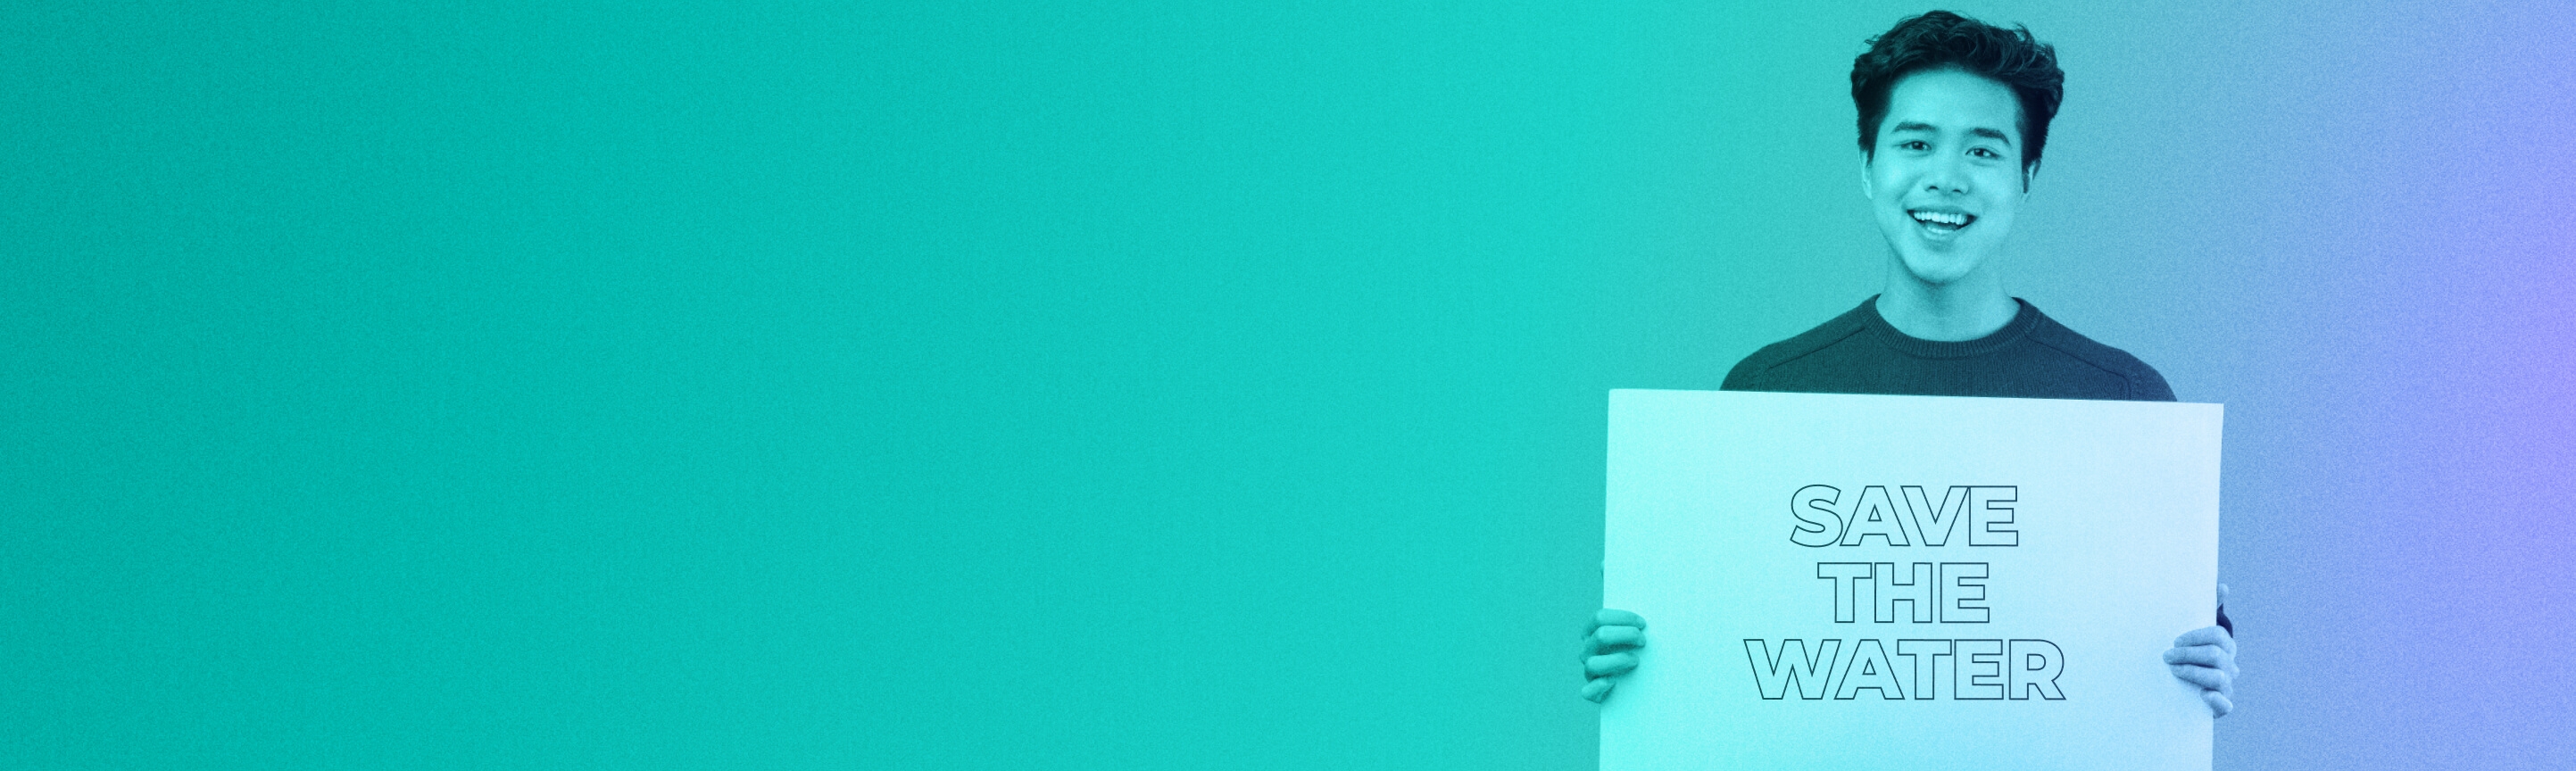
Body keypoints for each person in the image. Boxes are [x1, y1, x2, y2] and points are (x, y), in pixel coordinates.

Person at [1580, 11, 2239, 717]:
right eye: (1916, 143)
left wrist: (2201, 660)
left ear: (2028, 175)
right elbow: (1737, 642)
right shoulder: (1766, 393)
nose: (1946, 178)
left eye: (1984, 152)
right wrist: (1649, 655)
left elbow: (2130, 653)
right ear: (1869, 167)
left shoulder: (2125, 402)